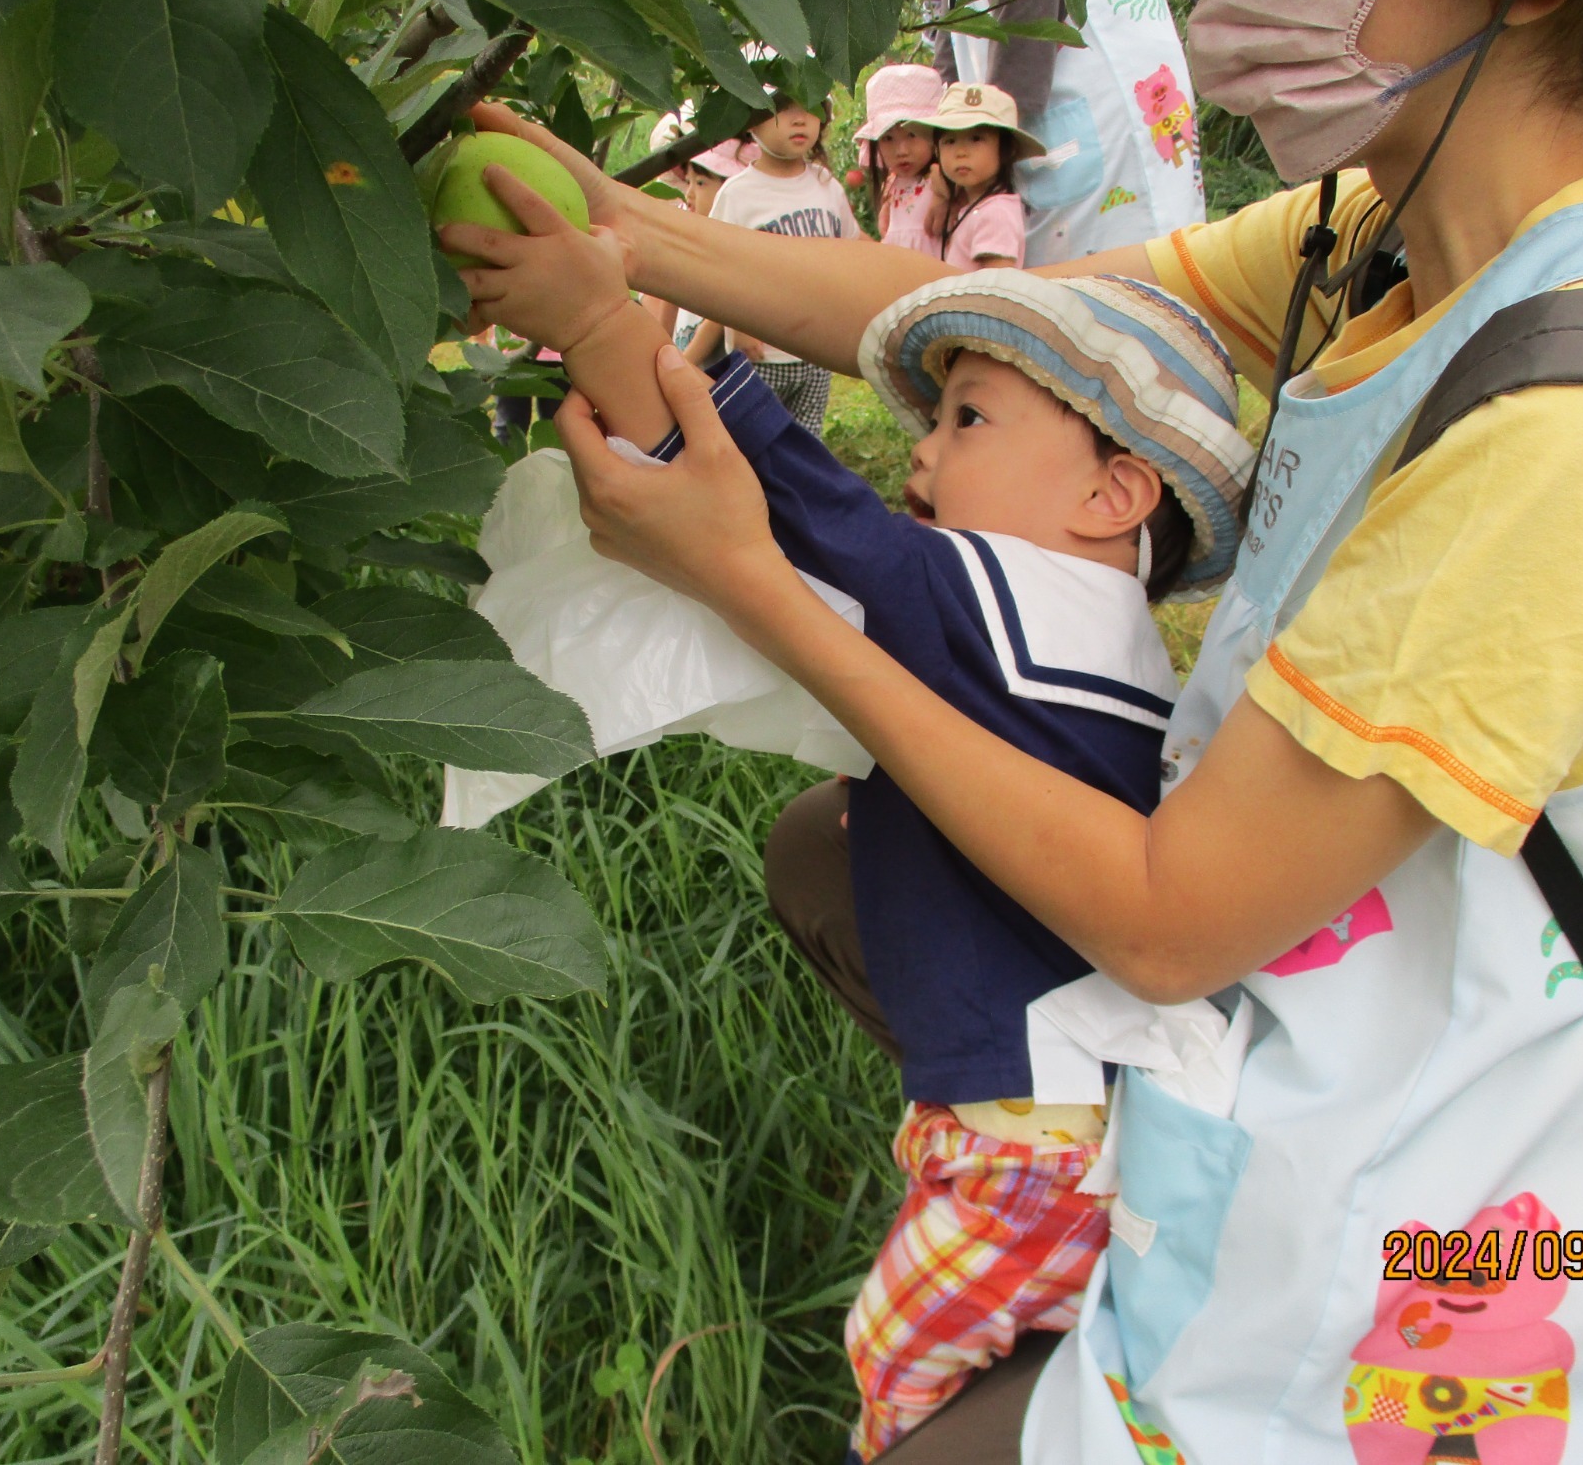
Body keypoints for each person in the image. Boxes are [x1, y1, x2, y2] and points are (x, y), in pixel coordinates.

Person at [444, 0, 1583, 1454]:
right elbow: (1010, 322)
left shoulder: (1575, 435)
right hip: (1323, 1062)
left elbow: (1169, 926)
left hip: (1460, 1277)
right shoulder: (1375, 237)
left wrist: (750, 583)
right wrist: (626, 232)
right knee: (831, 851)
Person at [461, 172, 1253, 1455]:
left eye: (968, 418)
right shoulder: (1101, 650)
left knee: (896, 1369)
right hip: (1074, 1118)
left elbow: (796, 505)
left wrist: (607, 328)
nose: (926, 455)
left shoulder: (1000, 598)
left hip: (1026, 1138)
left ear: (1110, 499)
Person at [935, 0, 1207, 264]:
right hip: (1053, 96)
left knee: (1122, 280)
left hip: (1098, 92)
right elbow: (951, 21)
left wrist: (975, 139)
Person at [708, 94, 862, 433]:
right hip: (763, 352)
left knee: (808, 441)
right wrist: (738, 325)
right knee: (755, 440)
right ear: (751, 121)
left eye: (810, 107)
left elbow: (854, 246)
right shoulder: (738, 194)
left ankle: (801, 487)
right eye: (783, 108)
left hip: (818, 349)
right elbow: (717, 267)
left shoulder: (826, 185)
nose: (800, 119)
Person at [916, 84, 1040, 271]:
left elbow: (996, 287)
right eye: (949, 141)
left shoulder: (995, 214)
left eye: (976, 139)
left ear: (1007, 149)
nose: (961, 152)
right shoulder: (977, 208)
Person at [670, 138, 750, 366]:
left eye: (701, 183)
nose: (689, 194)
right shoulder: (695, 239)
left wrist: (685, 364)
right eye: (688, 182)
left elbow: (717, 317)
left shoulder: (729, 244)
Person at [855, 63, 945, 254]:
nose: (901, 150)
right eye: (888, 138)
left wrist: (943, 192)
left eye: (912, 135)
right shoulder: (892, 184)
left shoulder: (941, 179)